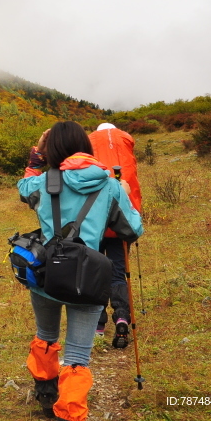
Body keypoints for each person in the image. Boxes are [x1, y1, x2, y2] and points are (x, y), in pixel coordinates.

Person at [18, 122, 144, 421]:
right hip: (89, 278)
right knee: (77, 356)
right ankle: (70, 413)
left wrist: (36, 156)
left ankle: (46, 394)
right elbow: (133, 229)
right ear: (86, 147)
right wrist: (124, 193)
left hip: (47, 274)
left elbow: (23, 188)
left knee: (46, 335)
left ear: (53, 150)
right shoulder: (109, 184)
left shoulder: (44, 181)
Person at [88, 122, 142, 348]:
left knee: (97, 273)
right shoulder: (126, 141)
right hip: (122, 222)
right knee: (119, 273)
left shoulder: (89, 142)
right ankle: (121, 316)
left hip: (96, 222)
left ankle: (98, 324)